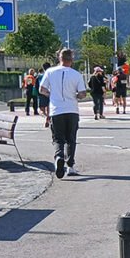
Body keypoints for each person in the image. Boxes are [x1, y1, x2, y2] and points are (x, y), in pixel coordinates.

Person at [39, 49, 87, 179]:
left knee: (58, 138)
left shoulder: (50, 72)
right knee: (71, 139)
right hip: (72, 110)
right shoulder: (76, 75)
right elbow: (82, 93)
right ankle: (70, 165)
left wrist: (51, 94)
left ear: (59, 58)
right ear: (72, 60)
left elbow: (42, 89)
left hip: (56, 110)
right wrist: (76, 95)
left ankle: (59, 156)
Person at [36, 63, 51, 127]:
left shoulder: (39, 76)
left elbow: (37, 86)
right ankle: (48, 118)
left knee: (41, 109)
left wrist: (38, 94)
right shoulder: (51, 75)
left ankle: (46, 118)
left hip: (42, 93)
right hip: (50, 93)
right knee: (49, 108)